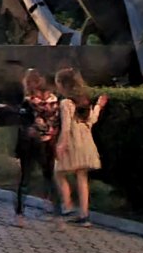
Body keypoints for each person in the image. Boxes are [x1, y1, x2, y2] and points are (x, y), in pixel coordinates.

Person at [53, 68, 107, 227]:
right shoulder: (85, 101)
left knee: (59, 172)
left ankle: (68, 206)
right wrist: (98, 106)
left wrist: (61, 145)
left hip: (72, 142)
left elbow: (66, 127)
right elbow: (92, 120)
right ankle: (84, 215)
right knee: (82, 177)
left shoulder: (66, 103)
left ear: (63, 85)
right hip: (86, 141)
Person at [13, 69, 61, 228]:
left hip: (34, 144)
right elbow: (55, 123)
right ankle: (57, 215)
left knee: (27, 178)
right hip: (45, 142)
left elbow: (23, 124)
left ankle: (20, 214)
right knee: (48, 178)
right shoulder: (55, 103)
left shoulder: (29, 102)